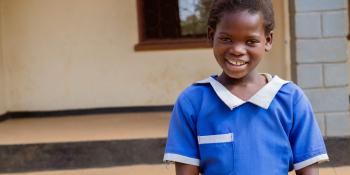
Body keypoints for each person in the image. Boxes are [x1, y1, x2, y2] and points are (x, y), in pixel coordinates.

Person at [163, 0, 329, 174]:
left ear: (268, 40)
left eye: (250, 41)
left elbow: (308, 170)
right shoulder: (193, 102)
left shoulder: (291, 100)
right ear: (211, 36)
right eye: (226, 39)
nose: (237, 50)